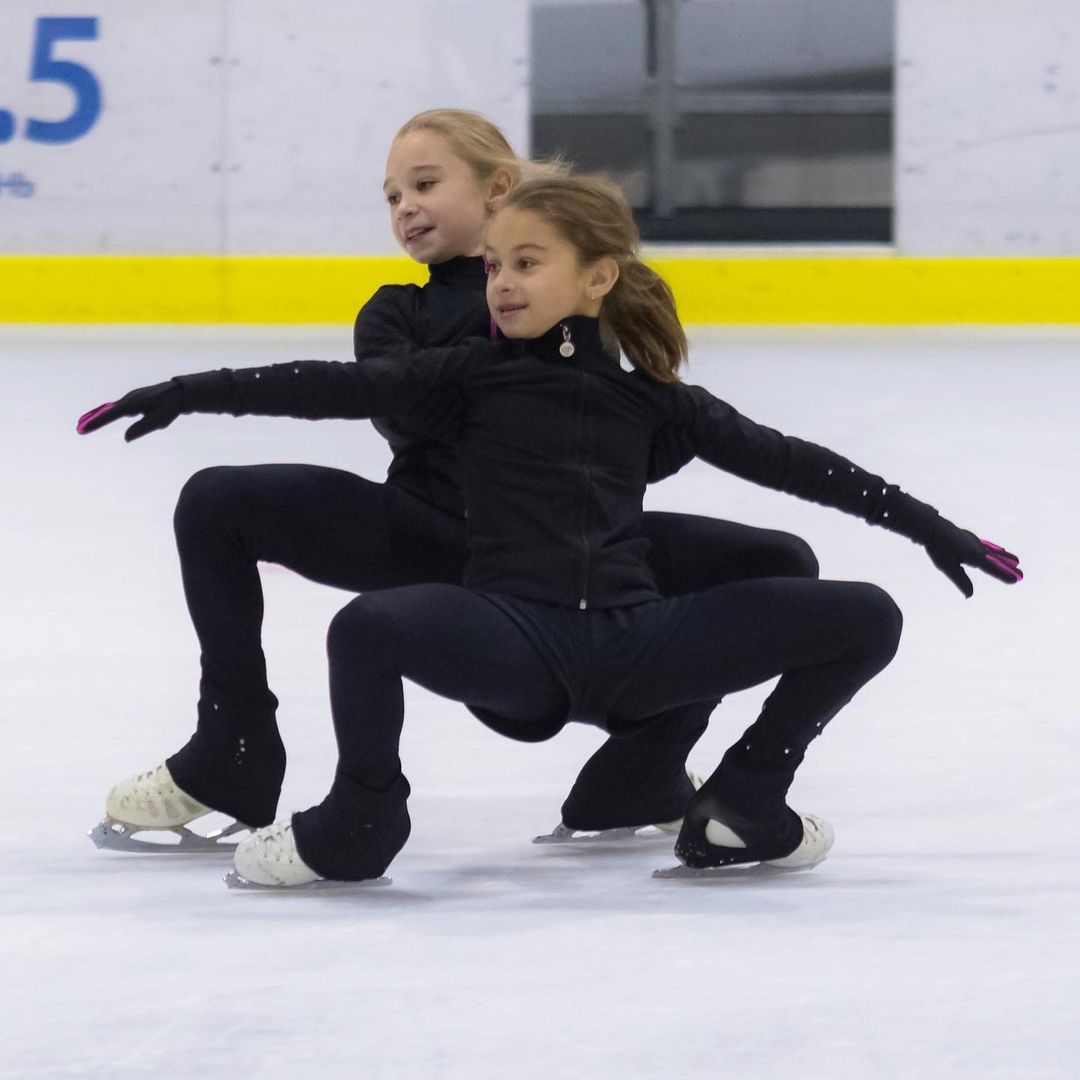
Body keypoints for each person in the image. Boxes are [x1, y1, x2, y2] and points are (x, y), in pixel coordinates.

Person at [79, 174, 1022, 888]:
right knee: (368, 626)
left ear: (597, 277)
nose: (500, 284)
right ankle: (360, 821)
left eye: (526, 264)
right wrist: (186, 392)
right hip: (515, 641)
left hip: (640, 643)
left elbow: (797, 463)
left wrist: (930, 526)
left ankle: (746, 794)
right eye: (493, 267)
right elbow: (325, 385)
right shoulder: (465, 378)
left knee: (865, 612)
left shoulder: (659, 403)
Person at [82, 110, 820, 851]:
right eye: (392, 197)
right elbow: (411, 412)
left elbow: (630, 443)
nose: (405, 208)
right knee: (217, 500)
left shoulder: (581, 296)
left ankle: (641, 770)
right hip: (423, 533)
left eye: (425, 184)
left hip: (564, 547)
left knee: (777, 562)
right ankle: (232, 749)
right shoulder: (397, 312)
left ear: (499, 189)